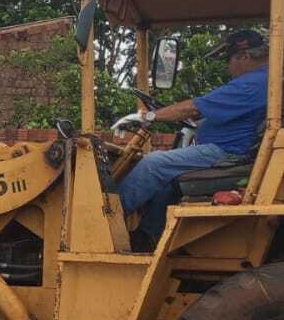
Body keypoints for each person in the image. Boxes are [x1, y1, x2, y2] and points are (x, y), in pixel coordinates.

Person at [114, 29, 272, 243]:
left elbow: (192, 108)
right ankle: (148, 235)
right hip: (233, 150)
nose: (229, 67)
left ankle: (102, 219)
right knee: (168, 180)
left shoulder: (253, 83)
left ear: (244, 57)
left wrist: (147, 116)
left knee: (153, 164)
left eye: (229, 60)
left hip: (229, 153)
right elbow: (211, 116)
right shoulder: (264, 82)